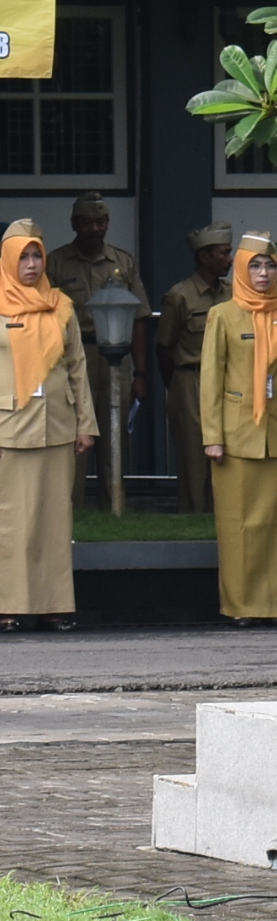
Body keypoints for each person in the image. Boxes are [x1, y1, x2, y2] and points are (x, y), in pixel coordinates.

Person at [200, 234, 277, 627]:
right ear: (240, 269)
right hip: (236, 434)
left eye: (269, 265)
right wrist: (212, 436)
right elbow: (211, 378)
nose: (263, 273)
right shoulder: (224, 314)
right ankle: (241, 606)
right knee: (237, 524)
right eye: (255, 265)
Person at [0, 220, 99, 633]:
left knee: (55, 519)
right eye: (22, 256)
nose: (31, 263)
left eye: (37, 255)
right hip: (9, 426)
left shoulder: (61, 306)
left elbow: (77, 366)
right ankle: (10, 604)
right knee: (11, 520)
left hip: (57, 423)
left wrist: (86, 424)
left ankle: (54, 604)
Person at [46, 192, 152, 510]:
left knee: (114, 435)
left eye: (100, 222)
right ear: (74, 224)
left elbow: (139, 319)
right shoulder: (55, 262)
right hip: (72, 359)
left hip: (115, 359)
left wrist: (141, 373)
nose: (94, 228)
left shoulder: (123, 262)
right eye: (87, 222)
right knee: (74, 437)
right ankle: (72, 511)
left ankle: (114, 510)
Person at [157, 224, 234, 512]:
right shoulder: (179, 296)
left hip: (228, 380)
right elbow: (164, 346)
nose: (230, 259)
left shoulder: (234, 294)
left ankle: (223, 513)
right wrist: (177, 383)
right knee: (193, 455)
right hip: (192, 379)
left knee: (227, 451)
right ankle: (193, 515)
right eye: (223, 253)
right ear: (204, 256)